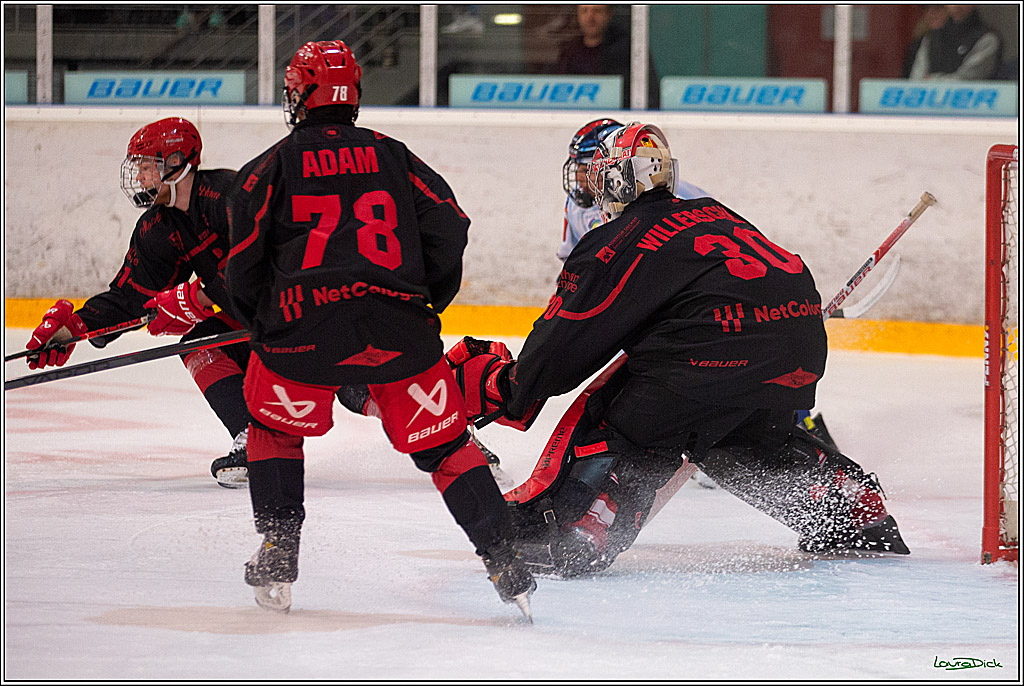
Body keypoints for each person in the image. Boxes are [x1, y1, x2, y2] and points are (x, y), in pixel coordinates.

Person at [447, 122, 910, 577]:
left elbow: (565, 343)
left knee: (619, 421)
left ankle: (582, 525)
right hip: (800, 350)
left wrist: (511, 384)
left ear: (617, 180)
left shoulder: (619, 239)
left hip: (715, 355)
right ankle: (848, 505)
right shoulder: (714, 210)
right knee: (736, 437)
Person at [224, 40, 536, 617]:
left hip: (302, 339)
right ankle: (503, 557)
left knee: (272, 428)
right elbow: (451, 225)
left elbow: (241, 261)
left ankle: (278, 546)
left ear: (304, 94)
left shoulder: (268, 169)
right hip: (401, 335)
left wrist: (263, 326)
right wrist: (423, 303)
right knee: (447, 446)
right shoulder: (395, 157)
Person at [23, 117, 252, 488]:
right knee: (198, 343)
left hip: (296, 313)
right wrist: (75, 327)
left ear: (176, 162)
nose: (142, 177)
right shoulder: (158, 227)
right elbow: (131, 298)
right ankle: (253, 440)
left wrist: (198, 296)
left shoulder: (230, 196)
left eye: (149, 167)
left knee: (353, 389)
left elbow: (261, 265)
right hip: (249, 322)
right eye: (140, 168)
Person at [554, 5, 658, 108]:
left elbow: (647, 94)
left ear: (609, 14)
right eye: (584, 11)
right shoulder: (570, 51)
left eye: (597, 11)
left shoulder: (626, 50)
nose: (590, 17)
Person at [907, 5, 1002, 80]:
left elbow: (968, 80)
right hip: (928, 101)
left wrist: (932, 79)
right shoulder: (932, 37)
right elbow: (916, 78)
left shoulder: (987, 38)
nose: (957, 5)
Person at [901, 5, 949, 78]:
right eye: (927, 9)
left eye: (937, 9)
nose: (931, 13)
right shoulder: (917, 43)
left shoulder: (962, 41)